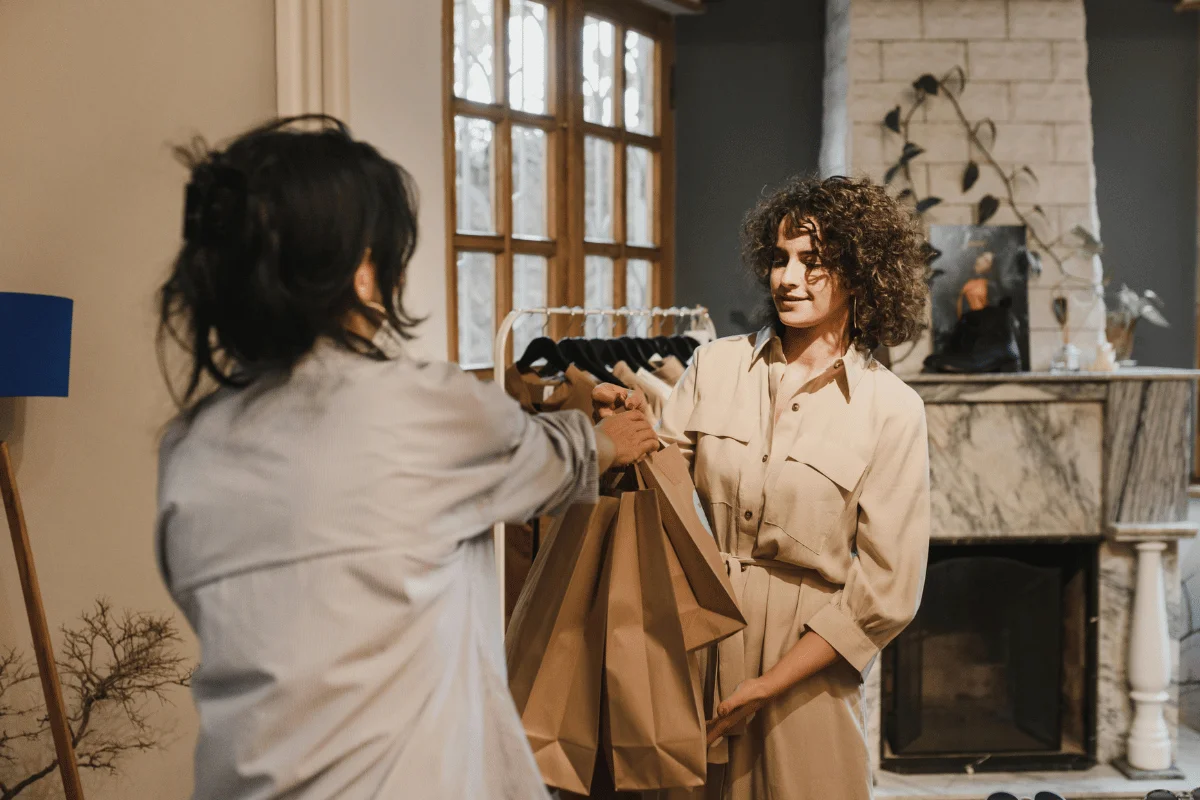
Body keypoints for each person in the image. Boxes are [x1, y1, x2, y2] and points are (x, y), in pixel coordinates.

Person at [153, 115, 659, 800]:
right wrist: (605, 439)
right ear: (365, 272)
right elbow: (550, 461)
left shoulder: (190, 450)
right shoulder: (423, 409)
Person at [596, 175, 932, 800]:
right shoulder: (714, 366)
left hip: (806, 669)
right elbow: (659, 494)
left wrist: (768, 684)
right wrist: (625, 427)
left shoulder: (892, 409)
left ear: (859, 274)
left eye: (814, 262)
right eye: (780, 259)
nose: (788, 278)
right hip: (696, 642)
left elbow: (888, 589)